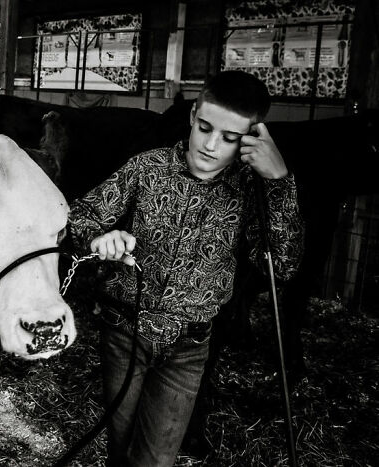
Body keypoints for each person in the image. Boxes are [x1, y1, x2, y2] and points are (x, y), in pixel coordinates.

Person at [68, 70, 303, 466]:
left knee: (155, 460)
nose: (211, 145)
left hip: (188, 348)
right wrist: (98, 238)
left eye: (229, 138)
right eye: (205, 127)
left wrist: (280, 181)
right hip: (126, 332)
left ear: (251, 138)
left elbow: (281, 266)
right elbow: (80, 216)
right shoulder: (146, 168)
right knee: (120, 447)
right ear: (193, 114)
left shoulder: (255, 189)